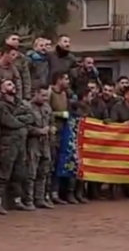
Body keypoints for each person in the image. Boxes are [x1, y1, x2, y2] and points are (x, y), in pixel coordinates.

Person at [0, 79, 33, 214]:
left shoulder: (19, 103)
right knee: (4, 172)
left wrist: (19, 119)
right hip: (8, 142)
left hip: (21, 141)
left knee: (19, 173)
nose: (13, 86)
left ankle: (16, 200)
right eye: (9, 84)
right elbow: (9, 122)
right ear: (2, 90)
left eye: (13, 84)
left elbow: (31, 117)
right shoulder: (1, 106)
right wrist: (21, 120)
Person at [109, 85, 129, 199]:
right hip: (118, 141)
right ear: (126, 96)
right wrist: (126, 124)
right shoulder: (117, 107)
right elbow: (112, 124)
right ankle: (114, 189)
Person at [24, 85, 54, 209]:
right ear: (35, 93)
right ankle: (28, 200)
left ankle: (40, 198)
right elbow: (24, 126)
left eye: (47, 95)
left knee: (44, 171)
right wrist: (38, 131)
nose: (45, 98)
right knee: (31, 171)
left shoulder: (47, 107)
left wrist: (52, 128)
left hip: (46, 142)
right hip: (33, 142)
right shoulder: (27, 107)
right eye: (42, 95)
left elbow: (52, 121)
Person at [48, 71, 71, 204]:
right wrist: (59, 114)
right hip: (52, 131)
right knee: (50, 163)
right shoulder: (50, 92)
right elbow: (46, 110)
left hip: (63, 131)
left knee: (59, 162)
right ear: (58, 80)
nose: (68, 82)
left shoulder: (64, 94)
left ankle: (55, 193)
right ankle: (46, 194)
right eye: (65, 79)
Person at [5, 34, 31, 100]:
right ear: (6, 40)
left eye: (18, 40)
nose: (16, 41)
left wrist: (27, 95)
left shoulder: (21, 58)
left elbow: (26, 77)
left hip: (18, 91)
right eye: (13, 39)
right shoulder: (0, 55)